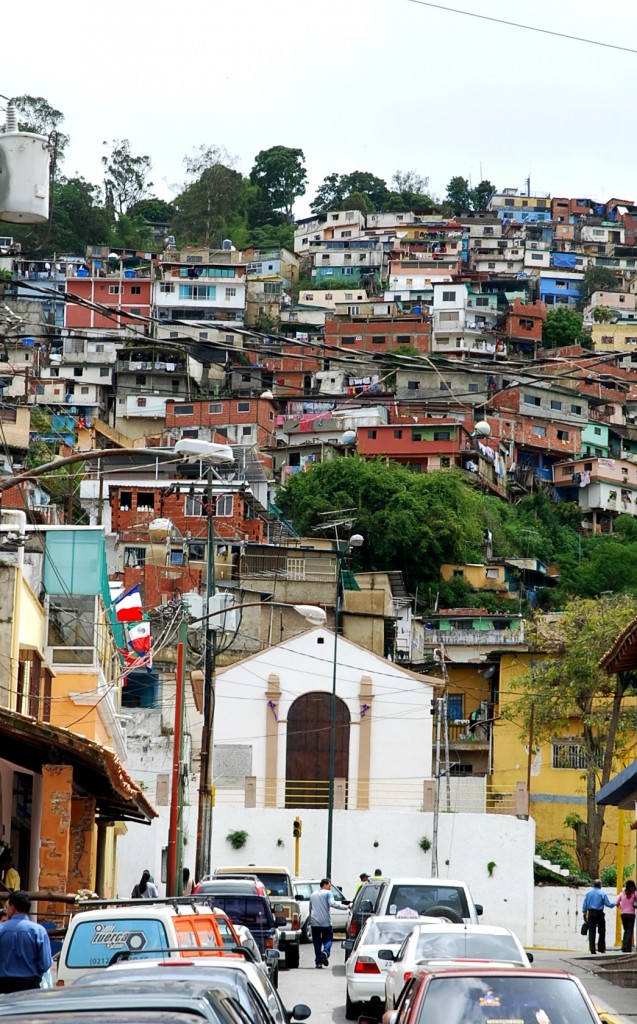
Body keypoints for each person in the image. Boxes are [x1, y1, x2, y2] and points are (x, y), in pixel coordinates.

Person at [0, 890, 52, 994]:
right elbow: (45, 964)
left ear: (12, 908)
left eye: (7, 907)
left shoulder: (1, 929)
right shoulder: (39, 931)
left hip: (3, 987)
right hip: (30, 986)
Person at [309, 878, 348, 968]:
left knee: (317, 943)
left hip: (314, 922)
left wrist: (311, 920)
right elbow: (332, 903)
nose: (330, 886)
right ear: (325, 884)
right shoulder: (328, 893)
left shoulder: (313, 894)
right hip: (326, 922)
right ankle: (325, 952)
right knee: (329, 940)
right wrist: (346, 907)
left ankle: (318, 962)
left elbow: (310, 908)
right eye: (330, 885)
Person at [582, 878, 615, 954]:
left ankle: (592, 950)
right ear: (600, 885)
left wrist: (584, 914)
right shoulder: (602, 894)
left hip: (591, 913)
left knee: (592, 931)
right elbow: (608, 904)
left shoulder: (588, 894)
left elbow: (584, 905)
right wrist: (615, 903)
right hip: (599, 913)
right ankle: (601, 948)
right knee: (602, 931)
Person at [616, 879, 637, 952]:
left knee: (625, 930)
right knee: (630, 931)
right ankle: (628, 948)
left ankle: (624, 947)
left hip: (623, 914)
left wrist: (621, 907)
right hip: (631, 914)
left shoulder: (622, 894)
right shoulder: (634, 894)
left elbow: (617, 902)